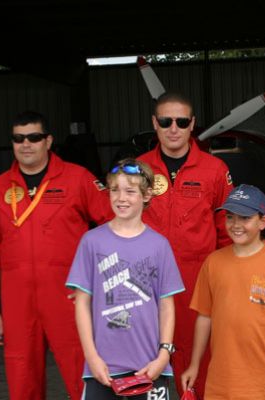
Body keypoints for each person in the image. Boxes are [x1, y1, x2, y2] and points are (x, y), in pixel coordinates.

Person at [0, 110, 113, 400]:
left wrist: (102, 284)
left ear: (48, 141)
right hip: (17, 304)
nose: (26, 144)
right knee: (21, 378)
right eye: (18, 138)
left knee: (83, 374)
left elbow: (114, 223)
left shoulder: (78, 179)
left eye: (34, 137)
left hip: (69, 297)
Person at [138, 92, 234, 398]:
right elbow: (118, 224)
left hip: (198, 280)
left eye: (181, 121)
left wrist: (226, 282)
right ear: (155, 123)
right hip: (146, 283)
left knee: (200, 357)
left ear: (192, 124)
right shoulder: (136, 169)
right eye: (165, 121)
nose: (173, 128)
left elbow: (227, 230)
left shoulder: (215, 169)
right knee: (149, 359)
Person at [66, 159, 185, 399]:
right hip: (103, 368)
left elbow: (166, 306)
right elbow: (81, 303)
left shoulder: (159, 245)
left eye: (130, 191)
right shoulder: (92, 241)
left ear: (147, 194)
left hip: (149, 367)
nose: (121, 198)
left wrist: (163, 356)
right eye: (115, 190)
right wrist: (91, 357)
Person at [181, 184, 265, 400]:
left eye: (245, 218)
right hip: (221, 383)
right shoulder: (213, 262)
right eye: (230, 217)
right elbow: (204, 317)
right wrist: (194, 365)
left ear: (263, 221)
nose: (236, 225)